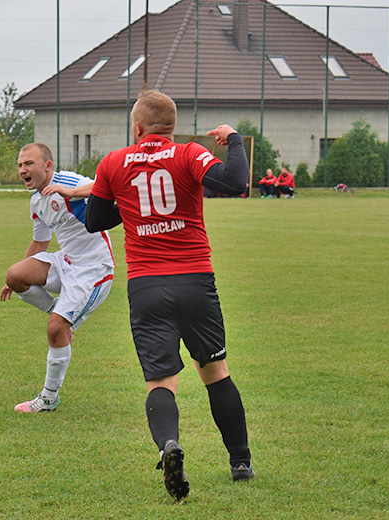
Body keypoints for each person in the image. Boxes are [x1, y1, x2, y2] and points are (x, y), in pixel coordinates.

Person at [86, 90, 254, 501]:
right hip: (195, 279)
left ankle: (169, 446)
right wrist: (234, 138)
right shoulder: (188, 154)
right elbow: (235, 182)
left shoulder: (112, 162)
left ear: (138, 128)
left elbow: (94, 220)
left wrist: (126, 206)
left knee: (161, 379)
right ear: (171, 127)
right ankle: (241, 463)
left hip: (146, 286)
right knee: (215, 372)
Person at [0, 143, 115, 413]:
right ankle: (60, 315)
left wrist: (72, 192)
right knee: (16, 274)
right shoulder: (36, 201)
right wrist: (12, 280)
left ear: (48, 166)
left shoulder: (68, 181)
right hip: (66, 261)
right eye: (20, 165)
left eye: (29, 163)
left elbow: (107, 185)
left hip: (94, 270)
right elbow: (40, 242)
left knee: (53, 330)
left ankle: (49, 398)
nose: (22, 170)